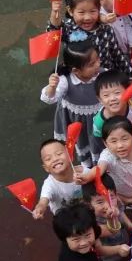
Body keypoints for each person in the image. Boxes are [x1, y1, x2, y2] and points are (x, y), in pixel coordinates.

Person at [40, 33, 104, 167]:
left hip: (98, 119)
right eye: (92, 64)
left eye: (98, 59)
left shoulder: (103, 75)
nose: (98, 64)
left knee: (99, 142)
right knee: (82, 142)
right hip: (77, 121)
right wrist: (52, 87)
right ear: (76, 70)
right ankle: (87, 166)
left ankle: (102, 163)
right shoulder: (65, 81)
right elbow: (49, 98)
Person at [79, 117, 132, 228]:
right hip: (120, 198)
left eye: (125, 139)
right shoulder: (107, 156)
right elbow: (99, 169)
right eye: (113, 141)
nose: (120, 145)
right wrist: (86, 177)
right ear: (105, 143)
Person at [48, 0, 132, 78]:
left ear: (99, 9)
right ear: (70, 11)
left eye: (93, 11)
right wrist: (55, 11)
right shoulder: (69, 28)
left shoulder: (106, 29)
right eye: (81, 12)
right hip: (79, 79)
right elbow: (53, 33)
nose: (87, 17)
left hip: (104, 79)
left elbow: (117, 55)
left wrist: (130, 76)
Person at [82, 173, 132, 261]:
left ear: (116, 195)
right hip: (108, 258)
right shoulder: (89, 223)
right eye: (100, 202)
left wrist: (130, 225)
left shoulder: (116, 203)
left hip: (122, 242)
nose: (107, 205)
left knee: (125, 259)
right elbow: (100, 248)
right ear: (88, 205)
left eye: (111, 197)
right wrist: (118, 249)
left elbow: (121, 213)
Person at [33, 139, 83, 218]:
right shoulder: (49, 185)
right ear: (46, 168)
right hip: (65, 219)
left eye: (59, 154)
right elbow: (43, 201)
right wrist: (39, 209)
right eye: (48, 159)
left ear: (70, 156)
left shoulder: (85, 171)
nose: (55, 159)